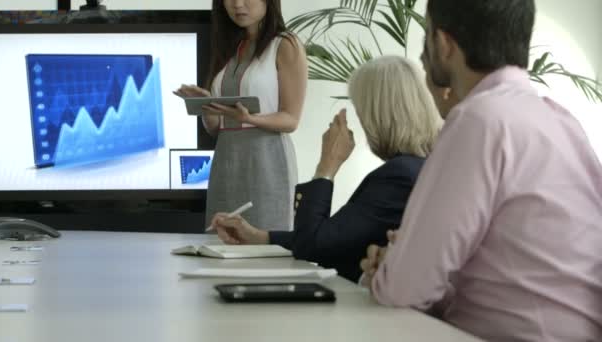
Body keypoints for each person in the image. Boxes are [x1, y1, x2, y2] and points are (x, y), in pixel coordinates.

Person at [360, 1, 602, 341]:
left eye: (426, 38)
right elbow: (508, 269)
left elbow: (403, 291)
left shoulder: (480, 119)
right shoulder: (561, 121)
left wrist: (388, 270)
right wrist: (404, 265)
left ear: (443, 45)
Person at [211, 56, 443, 282]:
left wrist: (327, 166)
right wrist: (260, 237)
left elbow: (314, 246)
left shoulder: (398, 176)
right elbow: (334, 237)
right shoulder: (423, 167)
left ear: (378, 114)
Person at [174, 0, 307, 232]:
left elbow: (291, 119)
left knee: (266, 246)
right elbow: (215, 128)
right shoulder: (229, 47)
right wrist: (207, 105)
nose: (238, 5)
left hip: (267, 161)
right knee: (219, 243)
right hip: (226, 162)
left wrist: (250, 119)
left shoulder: (285, 44)